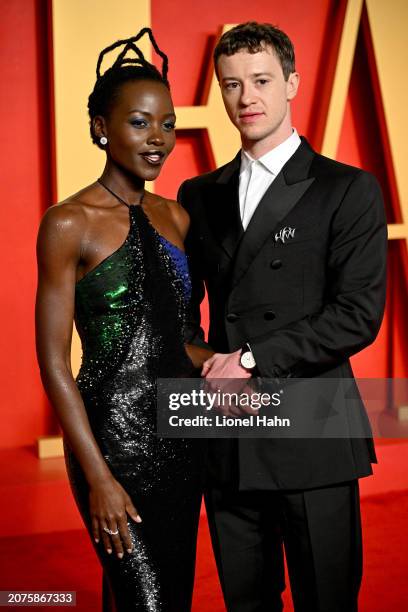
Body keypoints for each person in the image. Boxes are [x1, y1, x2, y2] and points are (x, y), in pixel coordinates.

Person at [178, 21, 387, 612]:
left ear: (293, 83)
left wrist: (248, 359)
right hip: (227, 432)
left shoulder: (346, 190)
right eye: (232, 84)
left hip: (312, 427)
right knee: (245, 601)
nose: (247, 98)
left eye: (262, 80)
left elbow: (357, 315)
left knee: (328, 599)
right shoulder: (200, 195)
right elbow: (183, 313)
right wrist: (202, 372)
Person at [35, 28, 211, 612]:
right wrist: (99, 477)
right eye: (139, 122)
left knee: (168, 600)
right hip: (113, 447)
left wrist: (246, 366)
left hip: (182, 443)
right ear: (101, 128)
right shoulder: (68, 223)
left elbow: (181, 341)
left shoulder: (177, 219)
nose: (157, 138)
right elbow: (55, 364)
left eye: (167, 123)